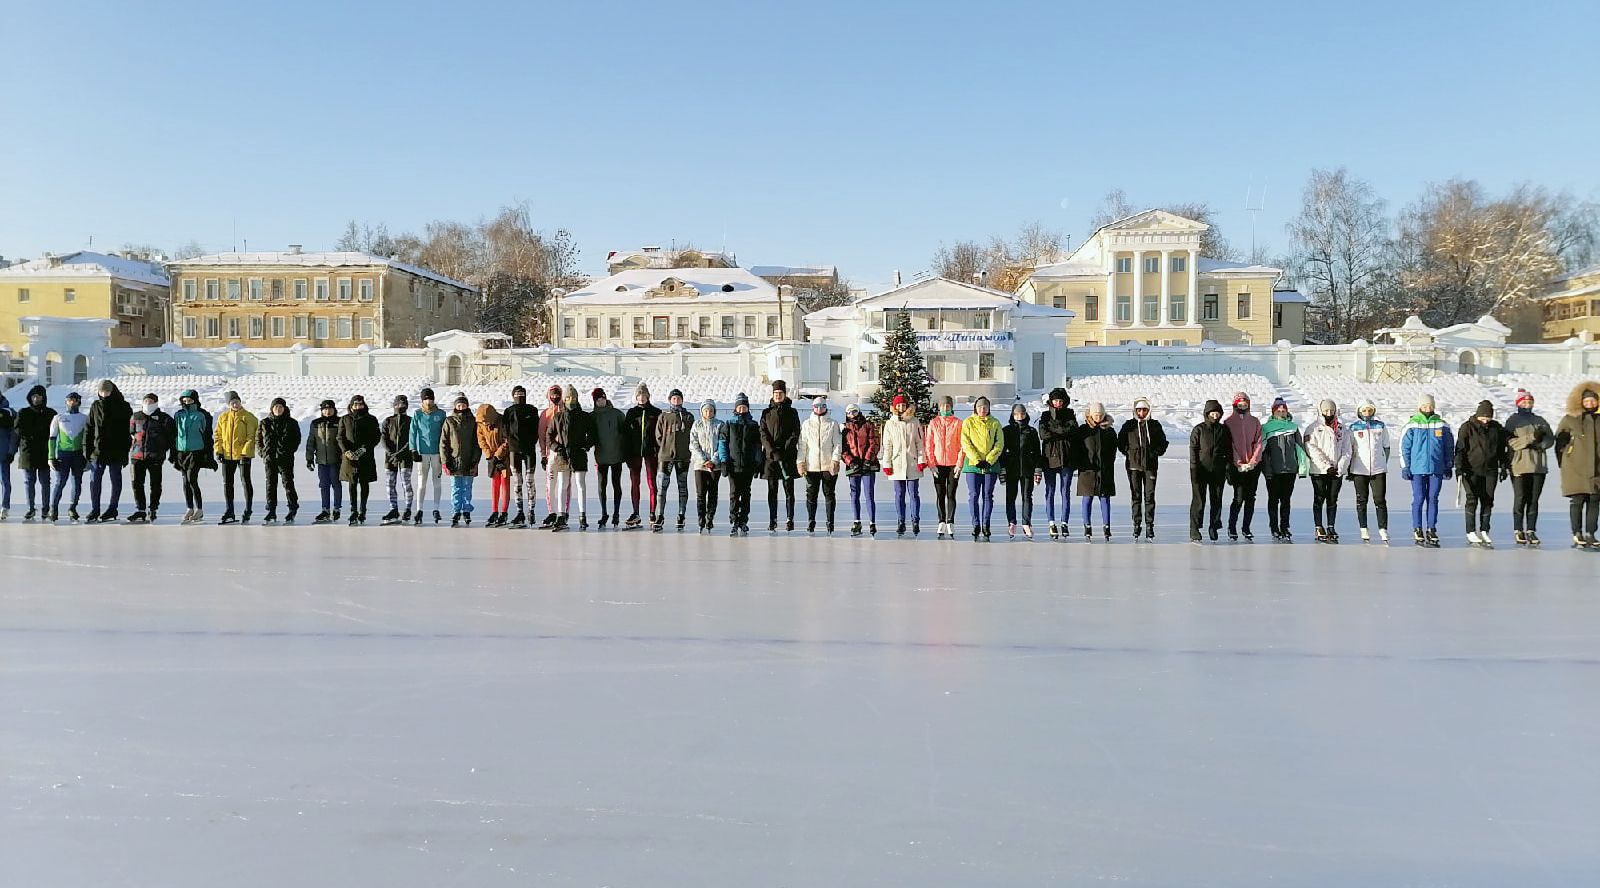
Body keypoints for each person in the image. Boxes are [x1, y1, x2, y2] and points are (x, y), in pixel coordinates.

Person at [1400, 393, 1454, 548]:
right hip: (1417, 469)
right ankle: (1417, 528)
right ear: (1419, 407)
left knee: (1433, 498)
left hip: (1436, 468)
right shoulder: (1412, 425)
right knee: (1418, 498)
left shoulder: (1442, 424)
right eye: (1424, 406)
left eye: (1430, 406)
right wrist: (1406, 466)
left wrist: (1448, 464)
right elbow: (1405, 448)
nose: (1427, 408)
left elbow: (1449, 446)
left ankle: (1431, 528)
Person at [1503, 389, 1554, 547]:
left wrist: (1541, 444)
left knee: (1533, 500)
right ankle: (1518, 529)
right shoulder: (1513, 421)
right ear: (1518, 404)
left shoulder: (1540, 420)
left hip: (1538, 465)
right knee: (1520, 499)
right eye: (1524, 402)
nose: (1527, 405)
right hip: (1519, 465)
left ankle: (1531, 529)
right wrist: (1531, 438)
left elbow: (1550, 439)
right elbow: (1512, 443)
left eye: (1530, 402)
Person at [1456, 400, 1510, 548]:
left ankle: (1485, 529)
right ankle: (1470, 531)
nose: (1485, 420)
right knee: (1472, 499)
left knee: (1488, 500)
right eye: (1483, 417)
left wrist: (1504, 466)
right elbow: (1460, 449)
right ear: (1478, 415)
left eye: (1488, 417)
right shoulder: (1467, 427)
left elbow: (1501, 450)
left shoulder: (1496, 429)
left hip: (1490, 470)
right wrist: (1459, 468)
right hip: (1471, 469)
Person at [1554, 381, 1600, 549]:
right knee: (1578, 500)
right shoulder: (1570, 419)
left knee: (1594, 500)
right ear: (1580, 402)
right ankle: (1577, 533)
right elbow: (1559, 443)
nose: (1590, 403)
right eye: (1587, 401)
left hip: (1597, 468)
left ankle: (1591, 533)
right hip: (1575, 467)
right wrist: (1564, 461)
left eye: (1593, 400)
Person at [1117, 397, 1168, 541]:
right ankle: (1136, 524)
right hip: (1133, 466)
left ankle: (1149, 526)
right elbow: (1121, 442)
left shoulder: (1154, 425)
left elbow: (1163, 443)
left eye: (1144, 410)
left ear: (1148, 410)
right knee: (1136, 496)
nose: (1141, 412)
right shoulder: (1129, 425)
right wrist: (1129, 452)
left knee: (1149, 496)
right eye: (1139, 410)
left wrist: (1154, 452)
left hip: (1150, 467)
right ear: (1135, 410)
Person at [1304, 399, 1352, 544]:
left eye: (1331, 411)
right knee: (1319, 498)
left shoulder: (1342, 428)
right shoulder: (1312, 428)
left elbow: (1347, 449)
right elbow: (1311, 449)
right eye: (1326, 411)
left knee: (1332, 498)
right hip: (1319, 470)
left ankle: (1331, 526)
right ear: (1320, 411)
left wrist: (1341, 466)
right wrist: (1326, 466)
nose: (1329, 413)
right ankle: (1319, 526)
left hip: (1337, 470)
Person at [83, 380, 132, 523]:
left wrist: (125, 452)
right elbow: (89, 428)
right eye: (101, 391)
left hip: (116, 450)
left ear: (112, 391)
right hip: (98, 451)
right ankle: (95, 509)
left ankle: (113, 508)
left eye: (107, 391)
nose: (104, 394)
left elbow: (127, 432)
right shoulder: (95, 406)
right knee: (95, 480)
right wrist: (87, 450)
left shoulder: (123, 406)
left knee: (115, 478)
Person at [716, 392, 763, 535]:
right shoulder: (728, 424)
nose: (742, 410)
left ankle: (744, 520)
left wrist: (757, 463)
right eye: (740, 407)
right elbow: (723, 444)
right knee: (734, 493)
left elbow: (757, 446)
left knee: (746, 493)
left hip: (748, 465)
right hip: (733, 465)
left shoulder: (754, 425)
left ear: (748, 408)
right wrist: (724, 461)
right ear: (735, 408)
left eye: (744, 407)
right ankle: (734, 519)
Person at [1072, 402, 1118, 541]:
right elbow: (1077, 449)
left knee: (1105, 498)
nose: (1098, 417)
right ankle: (1087, 526)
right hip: (1087, 471)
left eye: (1100, 415)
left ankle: (1107, 526)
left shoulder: (1109, 431)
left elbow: (1113, 451)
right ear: (1090, 415)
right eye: (1095, 415)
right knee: (1087, 498)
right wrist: (1082, 464)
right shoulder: (1083, 430)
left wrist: (1108, 464)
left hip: (1104, 470)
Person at [1262, 398, 1306, 543]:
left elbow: (1299, 448)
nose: (1281, 412)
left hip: (1290, 470)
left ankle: (1285, 527)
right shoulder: (1267, 428)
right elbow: (1262, 451)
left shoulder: (1293, 427)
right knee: (1273, 500)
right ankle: (1274, 527)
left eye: (1283, 410)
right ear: (1273, 412)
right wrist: (1267, 470)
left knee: (1286, 500)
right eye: (1278, 410)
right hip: (1274, 471)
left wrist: (1302, 467)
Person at [880, 394, 924, 538]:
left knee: (914, 494)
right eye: (898, 405)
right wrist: (887, 463)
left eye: (903, 405)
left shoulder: (914, 422)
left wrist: (921, 460)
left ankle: (915, 520)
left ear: (907, 406)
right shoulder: (890, 424)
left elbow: (919, 442)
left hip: (911, 462)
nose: (901, 408)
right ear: (894, 407)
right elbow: (887, 445)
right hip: (897, 463)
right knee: (899, 494)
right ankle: (901, 521)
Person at [1347, 401, 1391, 543]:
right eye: (1364, 410)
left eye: (1369, 410)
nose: (1367, 413)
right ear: (1359, 411)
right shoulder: (1353, 428)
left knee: (1380, 499)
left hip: (1378, 469)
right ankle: (1363, 528)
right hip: (1360, 469)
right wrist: (1349, 468)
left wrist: (1383, 461)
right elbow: (1350, 449)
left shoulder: (1380, 426)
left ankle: (1383, 529)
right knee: (1362, 499)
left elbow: (1386, 447)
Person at [1189, 399, 1233, 543]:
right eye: (1212, 413)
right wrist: (1194, 468)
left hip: (1218, 471)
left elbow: (1228, 450)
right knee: (1199, 501)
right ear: (1207, 414)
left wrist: (1228, 469)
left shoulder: (1223, 430)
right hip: (1200, 470)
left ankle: (1214, 526)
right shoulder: (1199, 429)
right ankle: (1195, 529)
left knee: (1216, 500)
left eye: (1217, 413)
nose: (1215, 416)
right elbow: (1193, 450)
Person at [760, 380, 801, 533]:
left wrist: (785, 450)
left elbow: (795, 432)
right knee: (772, 490)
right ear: (773, 395)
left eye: (780, 394)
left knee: (789, 489)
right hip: (771, 458)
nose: (778, 396)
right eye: (776, 394)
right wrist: (772, 451)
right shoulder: (766, 412)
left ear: (784, 395)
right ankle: (773, 519)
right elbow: (763, 434)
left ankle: (790, 519)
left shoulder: (792, 412)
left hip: (787, 456)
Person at [128, 392, 175, 523]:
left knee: (155, 484)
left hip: (155, 456)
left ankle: (153, 508)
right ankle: (141, 509)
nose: (148, 404)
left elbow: (171, 438)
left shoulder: (164, 418)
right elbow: (132, 433)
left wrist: (168, 452)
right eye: (146, 401)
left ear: (155, 403)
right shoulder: (135, 416)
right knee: (137, 483)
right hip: (137, 456)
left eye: (150, 401)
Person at [213, 390, 259, 524]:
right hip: (227, 455)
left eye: (236, 401)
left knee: (245, 481)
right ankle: (230, 510)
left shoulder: (249, 417)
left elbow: (252, 436)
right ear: (228, 404)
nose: (234, 404)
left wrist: (245, 453)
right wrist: (219, 451)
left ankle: (248, 510)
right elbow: (218, 436)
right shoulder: (223, 417)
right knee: (227, 483)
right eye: (232, 402)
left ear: (240, 401)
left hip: (243, 455)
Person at [961, 396, 1003, 541]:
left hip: (990, 466)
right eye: (980, 407)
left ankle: (986, 524)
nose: (982, 410)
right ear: (975, 408)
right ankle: (975, 524)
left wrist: (989, 460)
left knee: (987, 495)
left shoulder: (995, 423)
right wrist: (977, 460)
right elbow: (965, 442)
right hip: (973, 465)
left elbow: (999, 444)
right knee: (973, 495)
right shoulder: (968, 422)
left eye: (985, 407)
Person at [797, 396, 841, 534]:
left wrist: (835, 460)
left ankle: (830, 521)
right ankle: (811, 520)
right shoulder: (806, 424)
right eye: (817, 406)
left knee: (829, 494)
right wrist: (800, 462)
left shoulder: (833, 424)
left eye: (822, 406)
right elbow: (802, 445)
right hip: (812, 466)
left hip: (828, 466)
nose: (819, 409)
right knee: (811, 495)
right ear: (812, 408)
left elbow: (837, 444)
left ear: (826, 407)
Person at [1038, 387, 1078, 540]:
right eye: (1056, 400)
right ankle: (1051, 522)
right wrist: (1062, 430)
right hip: (1049, 458)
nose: (1058, 403)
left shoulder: (1070, 414)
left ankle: (1064, 522)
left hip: (1067, 459)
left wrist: (1056, 430)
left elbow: (1073, 431)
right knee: (1050, 491)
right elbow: (1044, 434)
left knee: (1065, 491)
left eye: (1061, 400)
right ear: (1051, 401)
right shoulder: (1045, 415)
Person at [553, 385, 594, 530]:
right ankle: (561, 516)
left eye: (574, 397)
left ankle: (582, 516)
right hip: (563, 455)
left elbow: (593, 434)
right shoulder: (558, 416)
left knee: (580, 485)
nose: (571, 400)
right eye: (568, 398)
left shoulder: (584, 416)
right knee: (562, 486)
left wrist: (586, 446)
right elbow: (549, 435)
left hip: (579, 455)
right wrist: (557, 448)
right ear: (564, 399)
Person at [1224, 392, 1264, 542]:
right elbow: (1230, 445)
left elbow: (1258, 442)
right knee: (1239, 497)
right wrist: (1239, 462)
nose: (1242, 407)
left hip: (1252, 467)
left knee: (1250, 498)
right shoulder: (1228, 422)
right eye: (1239, 405)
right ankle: (1232, 526)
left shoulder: (1254, 421)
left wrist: (1253, 461)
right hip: (1237, 467)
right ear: (1235, 405)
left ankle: (1246, 527)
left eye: (1245, 404)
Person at [621, 383, 662, 529]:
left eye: (644, 395)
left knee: (652, 483)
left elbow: (660, 434)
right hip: (634, 453)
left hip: (651, 452)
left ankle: (652, 512)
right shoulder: (632, 413)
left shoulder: (656, 412)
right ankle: (635, 512)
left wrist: (659, 451)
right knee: (635, 482)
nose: (642, 398)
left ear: (648, 397)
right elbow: (625, 435)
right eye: (639, 396)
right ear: (636, 397)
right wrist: (626, 454)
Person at [171, 389, 215, 525]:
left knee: (192, 479)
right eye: (184, 400)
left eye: (189, 400)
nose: (186, 402)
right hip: (181, 451)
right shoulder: (178, 415)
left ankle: (199, 508)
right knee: (185, 481)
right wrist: (173, 453)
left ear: (195, 400)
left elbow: (207, 435)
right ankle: (189, 507)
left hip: (196, 451)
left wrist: (209, 454)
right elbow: (175, 434)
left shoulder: (202, 415)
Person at [653, 388, 694, 531]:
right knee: (662, 488)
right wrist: (666, 447)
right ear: (670, 400)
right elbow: (658, 436)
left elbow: (692, 435)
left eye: (678, 398)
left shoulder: (688, 416)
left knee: (682, 487)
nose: (676, 401)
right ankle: (659, 515)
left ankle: (681, 515)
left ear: (682, 400)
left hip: (683, 457)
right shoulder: (663, 416)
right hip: (665, 457)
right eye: (674, 399)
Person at [924, 394, 964, 538]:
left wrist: (959, 464)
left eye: (947, 406)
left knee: (951, 494)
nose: (945, 408)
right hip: (938, 465)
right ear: (939, 407)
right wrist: (931, 464)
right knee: (940, 494)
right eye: (942, 406)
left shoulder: (958, 423)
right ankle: (941, 520)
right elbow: (929, 444)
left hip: (953, 464)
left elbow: (962, 445)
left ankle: (950, 521)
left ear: (951, 407)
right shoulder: (933, 423)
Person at [1001, 403, 1042, 539]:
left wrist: (1037, 469)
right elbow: (1001, 452)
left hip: (1027, 469)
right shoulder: (1006, 431)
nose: (1020, 416)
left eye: (1022, 414)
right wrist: (1002, 468)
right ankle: (1011, 522)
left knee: (1027, 496)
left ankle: (1026, 523)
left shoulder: (1031, 431)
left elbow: (1037, 452)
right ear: (1013, 415)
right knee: (1011, 497)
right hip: (1011, 469)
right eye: (1017, 414)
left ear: (1026, 415)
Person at [338, 394, 381, 526]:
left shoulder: (371, 419)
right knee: (352, 484)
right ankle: (353, 510)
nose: (358, 407)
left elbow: (376, 437)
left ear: (364, 405)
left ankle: (363, 510)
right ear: (351, 406)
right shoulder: (344, 419)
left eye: (360, 404)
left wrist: (365, 449)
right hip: (349, 457)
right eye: (355, 405)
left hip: (365, 456)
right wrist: (346, 451)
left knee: (364, 483)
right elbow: (340, 437)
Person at [257, 397, 301, 524]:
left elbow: (296, 439)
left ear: (284, 408)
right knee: (270, 484)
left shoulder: (291, 422)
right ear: (272, 409)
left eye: (281, 407)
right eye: (276, 407)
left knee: (288, 483)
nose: (278, 409)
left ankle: (292, 507)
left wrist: (288, 451)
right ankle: (271, 510)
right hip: (270, 459)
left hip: (285, 459)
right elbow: (258, 440)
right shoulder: (265, 422)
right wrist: (262, 453)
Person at [47, 391, 90, 522]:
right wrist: (51, 457)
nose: (72, 402)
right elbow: (52, 438)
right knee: (60, 482)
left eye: (75, 400)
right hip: (63, 455)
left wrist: (87, 458)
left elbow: (89, 438)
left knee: (77, 483)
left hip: (78, 455)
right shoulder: (58, 417)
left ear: (79, 402)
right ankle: (53, 509)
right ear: (66, 402)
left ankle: (73, 508)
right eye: (69, 400)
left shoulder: (84, 418)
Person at [840, 402, 881, 535]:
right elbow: (843, 449)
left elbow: (874, 442)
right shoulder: (845, 429)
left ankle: (872, 522)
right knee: (854, 494)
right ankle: (856, 521)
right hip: (854, 467)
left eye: (854, 411)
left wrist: (868, 459)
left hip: (868, 465)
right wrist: (851, 461)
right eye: (849, 412)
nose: (852, 414)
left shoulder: (868, 425)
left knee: (869, 494)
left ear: (859, 412)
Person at [502, 384, 540, 528]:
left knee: (530, 480)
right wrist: (511, 443)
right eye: (517, 394)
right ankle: (520, 512)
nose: (519, 396)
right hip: (514, 451)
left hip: (529, 449)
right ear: (513, 396)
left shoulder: (532, 410)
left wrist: (532, 442)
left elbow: (537, 429)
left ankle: (531, 511)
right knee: (517, 482)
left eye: (522, 393)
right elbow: (505, 430)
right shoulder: (509, 411)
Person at [14, 386, 54, 521]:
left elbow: (55, 433)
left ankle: (45, 509)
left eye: (38, 396)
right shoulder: (23, 412)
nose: (36, 399)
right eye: (33, 396)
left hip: (44, 453)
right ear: (30, 397)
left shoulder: (50, 413)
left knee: (45, 483)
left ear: (43, 397)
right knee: (29, 482)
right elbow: (18, 430)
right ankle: (30, 508)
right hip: (28, 453)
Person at [441, 393, 481, 526]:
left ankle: (466, 510)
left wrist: (475, 460)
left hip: (469, 460)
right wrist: (445, 461)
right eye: (459, 404)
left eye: (463, 404)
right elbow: (444, 442)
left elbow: (477, 442)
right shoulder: (449, 421)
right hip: (454, 461)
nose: (461, 406)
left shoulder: (473, 421)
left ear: (467, 405)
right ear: (455, 406)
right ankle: (456, 511)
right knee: (456, 488)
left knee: (467, 487)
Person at [409, 388, 447, 525]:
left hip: (437, 453)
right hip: (422, 454)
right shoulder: (418, 414)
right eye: (426, 399)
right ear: (422, 400)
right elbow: (412, 432)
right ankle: (419, 509)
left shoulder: (441, 414)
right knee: (421, 483)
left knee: (437, 482)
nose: (428, 401)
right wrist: (413, 449)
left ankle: (436, 509)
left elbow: (445, 434)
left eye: (430, 398)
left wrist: (445, 452)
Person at [590, 388, 626, 528]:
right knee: (602, 485)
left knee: (616, 484)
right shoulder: (592, 416)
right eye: (598, 400)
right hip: (601, 457)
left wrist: (625, 452)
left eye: (603, 399)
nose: (601, 402)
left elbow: (625, 433)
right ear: (595, 401)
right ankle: (604, 513)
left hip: (616, 456)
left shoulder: (617, 414)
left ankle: (616, 513)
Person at [305, 399, 344, 524]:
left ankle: (337, 508)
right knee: (323, 485)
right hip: (321, 460)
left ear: (334, 410)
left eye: (330, 409)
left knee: (336, 484)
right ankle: (325, 510)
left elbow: (343, 440)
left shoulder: (339, 422)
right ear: (322, 410)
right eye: (325, 409)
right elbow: (311, 441)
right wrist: (309, 458)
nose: (328, 411)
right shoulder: (316, 423)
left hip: (336, 460)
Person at [689, 398, 723, 534]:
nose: (708, 413)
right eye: (706, 410)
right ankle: (701, 518)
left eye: (710, 410)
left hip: (715, 465)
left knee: (713, 493)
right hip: (700, 465)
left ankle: (710, 518)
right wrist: (704, 460)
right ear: (702, 411)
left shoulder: (720, 425)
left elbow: (722, 444)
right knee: (701, 493)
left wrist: (713, 460)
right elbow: (693, 444)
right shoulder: (697, 425)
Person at [380, 395, 415, 525]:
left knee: (406, 483)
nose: (400, 407)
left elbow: (412, 439)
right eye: (398, 405)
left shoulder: (411, 421)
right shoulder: (388, 421)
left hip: (405, 457)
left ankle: (407, 509)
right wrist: (391, 452)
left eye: (403, 405)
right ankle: (393, 509)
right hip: (390, 458)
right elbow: (383, 438)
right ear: (394, 406)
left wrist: (402, 452)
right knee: (390, 484)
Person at [476, 402, 510, 527]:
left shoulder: (502, 421)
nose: (485, 424)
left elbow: (507, 439)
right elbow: (481, 440)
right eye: (482, 422)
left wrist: (498, 454)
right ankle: (494, 511)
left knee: (504, 484)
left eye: (486, 421)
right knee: (495, 484)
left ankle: (504, 512)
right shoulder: (480, 425)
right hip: (491, 457)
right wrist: (488, 454)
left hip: (503, 457)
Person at [0, 393, 14, 521]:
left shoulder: (8, 412)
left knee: (5, 481)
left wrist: (11, 452)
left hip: (3, 454)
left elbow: (13, 434)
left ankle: (5, 507)